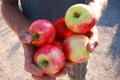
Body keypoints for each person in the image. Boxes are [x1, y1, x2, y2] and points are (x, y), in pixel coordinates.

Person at [1, 0, 108, 80]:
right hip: (37, 45)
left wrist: (91, 17)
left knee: (78, 76)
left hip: (77, 39)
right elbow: (9, 4)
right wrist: (25, 32)